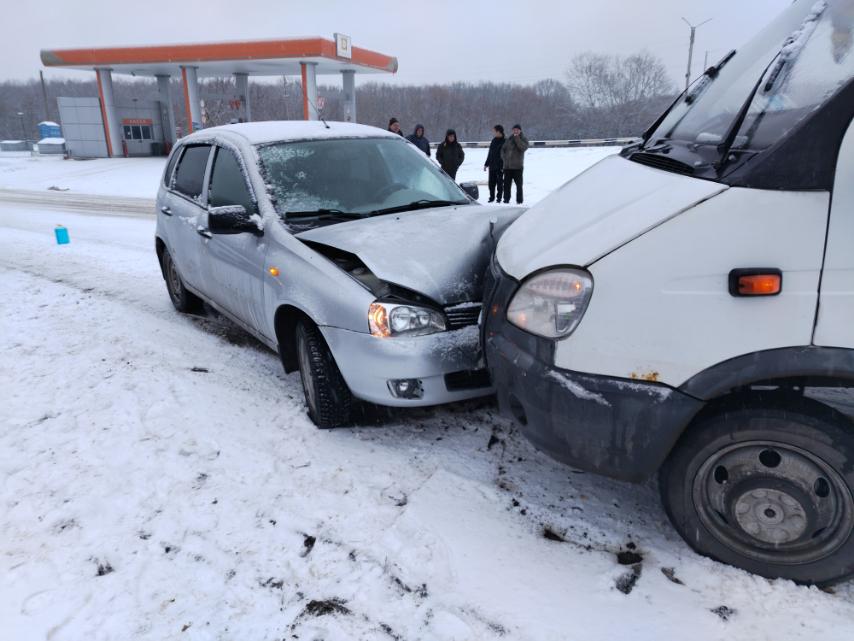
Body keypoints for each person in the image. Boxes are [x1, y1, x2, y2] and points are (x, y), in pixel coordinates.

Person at [501, 123, 529, 204]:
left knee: (519, 185)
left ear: (520, 130)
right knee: (506, 185)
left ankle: (519, 200)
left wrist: (517, 138)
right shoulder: (509, 139)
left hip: (517, 167)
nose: (515, 131)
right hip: (507, 167)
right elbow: (503, 149)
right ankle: (506, 199)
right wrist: (504, 158)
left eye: (517, 129)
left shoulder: (524, 139)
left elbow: (523, 148)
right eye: (514, 129)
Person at [483, 124, 505, 202]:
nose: (493, 133)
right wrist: (486, 164)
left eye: (494, 131)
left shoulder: (505, 141)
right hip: (492, 165)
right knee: (491, 183)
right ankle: (491, 197)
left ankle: (499, 198)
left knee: (499, 183)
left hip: (500, 166)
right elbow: (490, 153)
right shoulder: (494, 140)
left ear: (499, 131)